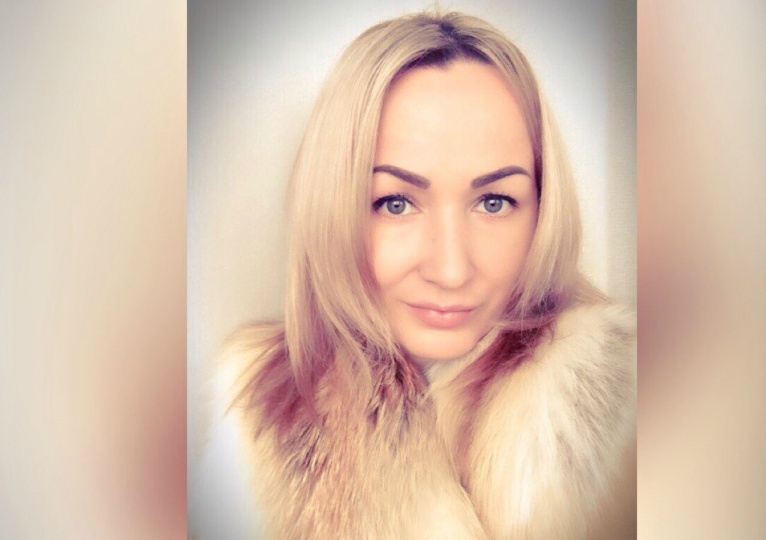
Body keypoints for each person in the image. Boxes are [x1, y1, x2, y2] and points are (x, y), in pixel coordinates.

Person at [194, 10, 636, 539]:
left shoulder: (636, 415)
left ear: (542, 209)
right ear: (332, 208)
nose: (451, 270)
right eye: (396, 203)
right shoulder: (254, 439)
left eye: (494, 202)